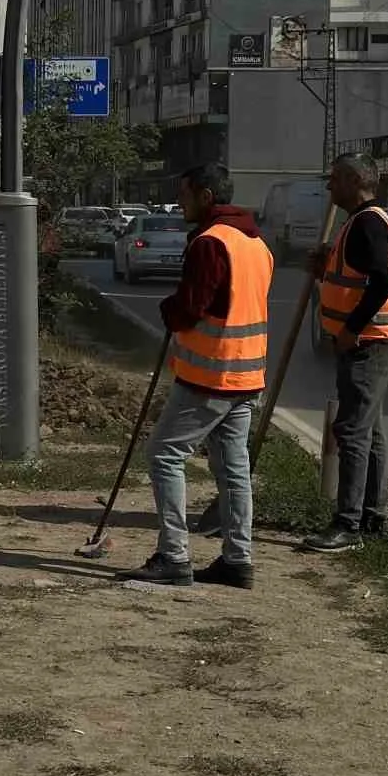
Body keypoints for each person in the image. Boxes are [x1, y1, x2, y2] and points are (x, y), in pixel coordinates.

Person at [120, 163, 273, 589]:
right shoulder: (256, 242)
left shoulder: (211, 243)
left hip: (212, 375)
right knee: (232, 468)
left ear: (207, 196)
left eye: (185, 195)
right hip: (247, 374)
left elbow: (191, 308)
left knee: (164, 455)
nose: (180, 203)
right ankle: (238, 560)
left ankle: (174, 557)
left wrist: (167, 310)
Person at [301, 151, 388, 553]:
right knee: (369, 430)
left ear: (351, 180)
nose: (329, 188)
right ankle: (374, 516)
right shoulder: (365, 221)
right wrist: (324, 269)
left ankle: (348, 525)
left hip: (367, 343)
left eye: (334, 180)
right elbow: (357, 276)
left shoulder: (367, 223)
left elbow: (382, 280)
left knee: (352, 431)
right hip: (374, 341)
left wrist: (350, 330)